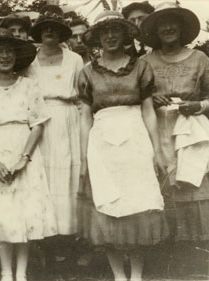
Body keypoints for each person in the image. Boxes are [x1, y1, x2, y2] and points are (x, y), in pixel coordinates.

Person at [78, 11, 168, 281]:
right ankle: (118, 275)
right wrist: (84, 157)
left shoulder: (140, 67)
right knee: (109, 204)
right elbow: (84, 117)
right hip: (102, 142)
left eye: (115, 30)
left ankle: (137, 274)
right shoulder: (87, 72)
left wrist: (157, 149)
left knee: (138, 203)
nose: (110, 36)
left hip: (135, 140)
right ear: (96, 37)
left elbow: (149, 111)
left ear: (125, 34)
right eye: (104, 32)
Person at [0, 28, 57, 281]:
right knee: (2, 213)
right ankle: (6, 271)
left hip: (25, 149)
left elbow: (37, 124)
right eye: (0, 51)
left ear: (16, 56)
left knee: (25, 211)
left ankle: (21, 272)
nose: (5, 56)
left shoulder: (29, 86)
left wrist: (24, 158)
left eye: (9, 51)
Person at [140, 2, 209, 276]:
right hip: (156, 132)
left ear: (181, 27)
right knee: (161, 187)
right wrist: (148, 97)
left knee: (194, 187)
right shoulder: (145, 62)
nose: (167, 28)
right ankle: (162, 257)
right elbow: (132, 98)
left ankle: (195, 259)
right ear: (155, 30)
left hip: (191, 132)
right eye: (161, 24)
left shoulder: (200, 60)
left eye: (173, 22)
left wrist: (200, 106)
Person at [26, 5, 83, 274]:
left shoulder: (74, 59)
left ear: (61, 31)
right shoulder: (29, 60)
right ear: (39, 32)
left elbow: (83, 95)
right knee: (44, 182)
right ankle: (47, 255)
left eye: (54, 28)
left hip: (68, 121)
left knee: (68, 182)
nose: (49, 32)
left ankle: (70, 253)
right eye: (44, 28)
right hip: (40, 125)